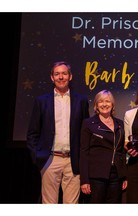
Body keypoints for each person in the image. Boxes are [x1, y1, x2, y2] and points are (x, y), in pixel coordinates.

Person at [26, 61, 90, 203]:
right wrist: (38, 157)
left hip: (73, 161)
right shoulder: (41, 101)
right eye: (57, 74)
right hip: (50, 159)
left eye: (64, 73)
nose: (61, 77)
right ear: (52, 77)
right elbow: (32, 133)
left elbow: (85, 133)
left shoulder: (81, 101)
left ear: (70, 76)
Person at [79, 90, 127, 203]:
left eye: (107, 101)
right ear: (96, 105)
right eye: (100, 101)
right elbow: (84, 152)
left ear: (112, 104)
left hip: (116, 175)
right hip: (96, 175)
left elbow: (121, 152)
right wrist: (84, 180)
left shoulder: (120, 124)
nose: (104, 104)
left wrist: (124, 176)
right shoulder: (88, 123)